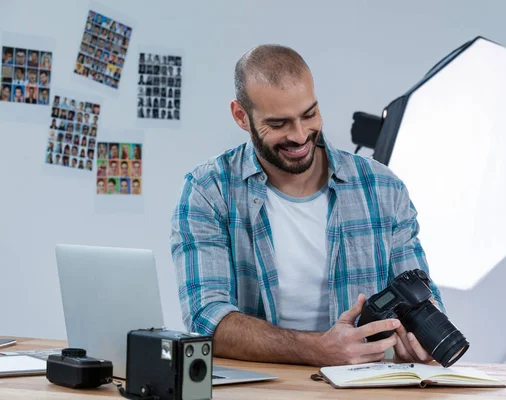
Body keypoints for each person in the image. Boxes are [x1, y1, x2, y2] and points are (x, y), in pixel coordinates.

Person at [170, 45, 445, 367]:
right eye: (278, 124)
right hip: (265, 389)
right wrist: (316, 349)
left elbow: (421, 295)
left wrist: (423, 339)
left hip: (366, 386)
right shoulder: (208, 190)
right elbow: (206, 318)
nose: (300, 136)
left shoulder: (383, 187)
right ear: (241, 116)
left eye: (309, 114)